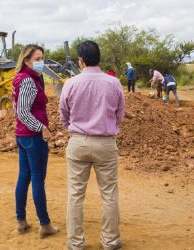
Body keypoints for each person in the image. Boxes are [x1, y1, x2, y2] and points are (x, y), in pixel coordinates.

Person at [60, 40, 125, 250]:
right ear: (99, 59)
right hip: (106, 143)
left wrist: (76, 127)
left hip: (78, 142)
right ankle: (110, 241)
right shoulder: (113, 83)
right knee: (109, 193)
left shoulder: (71, 83)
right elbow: (120, 114)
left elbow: (64, 114)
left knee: (75, 193)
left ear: (81, 61)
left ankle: (75, 243)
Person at [12, 44, 59, 238]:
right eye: (38, 59)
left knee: (24, 177)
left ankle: (21, 221)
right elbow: (22, 111)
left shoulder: (23, 78)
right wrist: (42, 128)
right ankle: (45, 224)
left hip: (23, 136)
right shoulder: (28, 82)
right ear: (27, 61)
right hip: (33, 137)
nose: (42, 62)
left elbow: (17, 109)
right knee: (37, 180)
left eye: (42, 58)